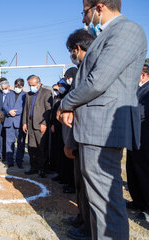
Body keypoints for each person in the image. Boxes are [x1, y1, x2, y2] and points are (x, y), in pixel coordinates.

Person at [57, 0, 147, 238]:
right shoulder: (106, 36)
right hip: (94, 127)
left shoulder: (127, 30)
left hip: (104, 127)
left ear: (99, 7)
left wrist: (66, 103)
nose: (83, 19)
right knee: (96, 200)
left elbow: (97, 81)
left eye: (84, 12)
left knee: (106, 201)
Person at [63, 29, 95, 240]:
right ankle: (82, 218)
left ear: (78, 48)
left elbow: (78, 106)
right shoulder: (82, 68)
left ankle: (88, 229)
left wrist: (64, 106)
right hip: (78, 137)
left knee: (89, 187)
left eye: (71, 51)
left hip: (88, 134)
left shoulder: (90, 69)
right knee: (80, 184)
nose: (71, 55)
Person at [126, 63, 149, 221]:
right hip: (134, 136)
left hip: (145, 137)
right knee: (132, 170)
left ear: (142, 74)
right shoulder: (137, 91)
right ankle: (138, 201)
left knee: (145, 172)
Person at [22, 75, 52, 178]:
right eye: (30, 85)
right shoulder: (28, 95)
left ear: (39, 83)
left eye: (33, 85)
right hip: (30, 124)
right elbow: (26, 109)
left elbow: (49, 110)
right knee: (31, 147)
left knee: (41, 148)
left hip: (40, 125)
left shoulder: (46, 93)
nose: (31, 87)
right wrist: (24, 122)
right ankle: (33, 167)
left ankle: (42, 169)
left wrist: (44, 123)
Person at [3, 78, 26, 168]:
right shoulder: (9, 94)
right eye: (16, 86)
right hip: (9, 122)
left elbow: (25, 107)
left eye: (19, 86)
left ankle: (19, 161)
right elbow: (4, 105)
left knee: (21, 143)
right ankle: (10, 161)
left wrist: (16, 112)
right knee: (9, 142)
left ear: (22, 87)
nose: (17, 88)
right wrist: (9, 111)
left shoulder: (26, 95)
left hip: (20, 122)